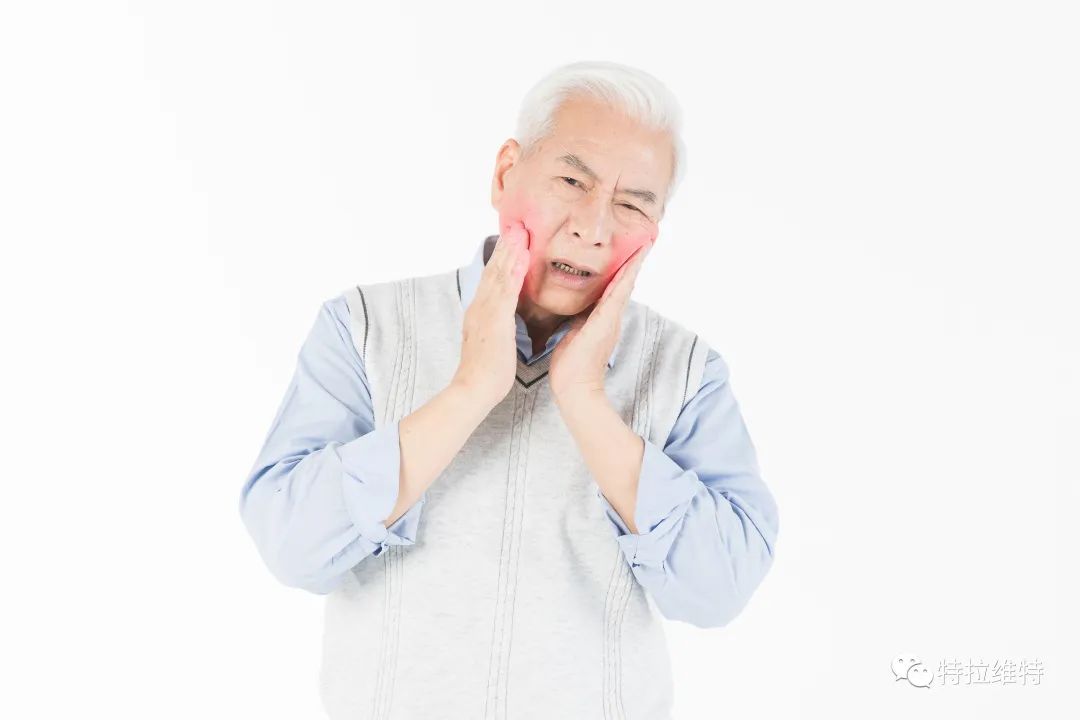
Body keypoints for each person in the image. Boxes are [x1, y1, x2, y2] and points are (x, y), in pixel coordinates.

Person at [238, 60, 779, 720]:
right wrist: (471, 389)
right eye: (572, 181)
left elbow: (720, 590)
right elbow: (292, 547)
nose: (593, 227)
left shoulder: (687, 370)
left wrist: (585, 399)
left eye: (633, 204)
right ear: (505, 173)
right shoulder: (364, 326)